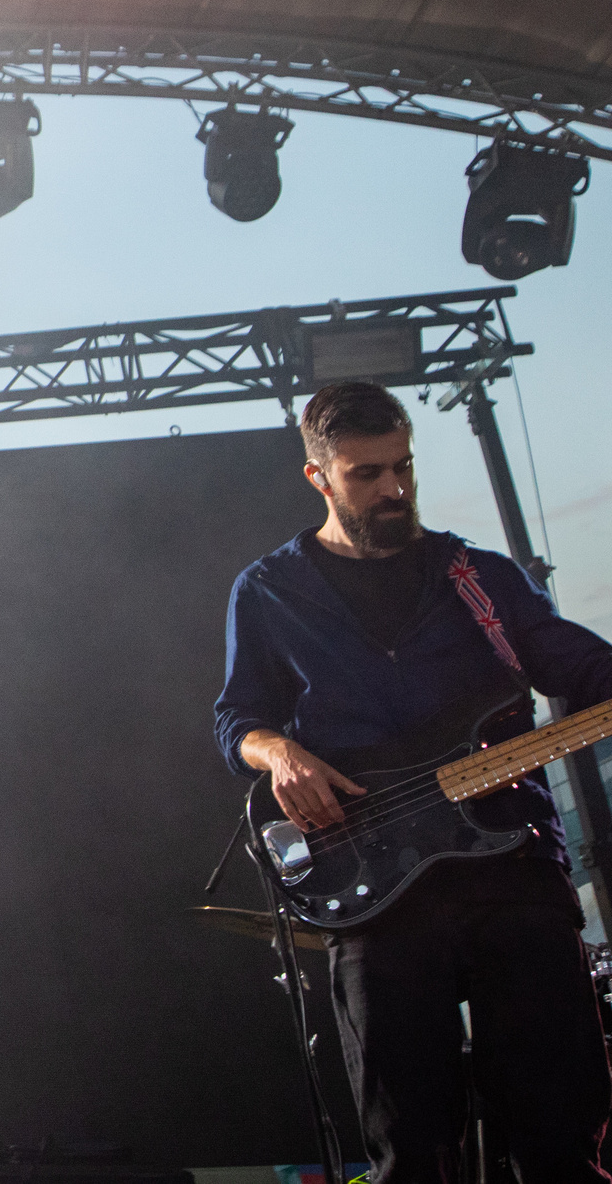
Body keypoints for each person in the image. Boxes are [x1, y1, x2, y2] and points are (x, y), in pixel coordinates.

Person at [215, 379, 612, 1182]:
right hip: (374, 885)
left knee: (559, 1130)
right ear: (318, 476)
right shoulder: (268, 590)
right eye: (367, 473)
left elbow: (581, 665)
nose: (394, 488)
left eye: (403, 467)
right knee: (410, 1143)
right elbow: (238, 721)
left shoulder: (480, 576)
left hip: (513, 867)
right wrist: (280, 754)